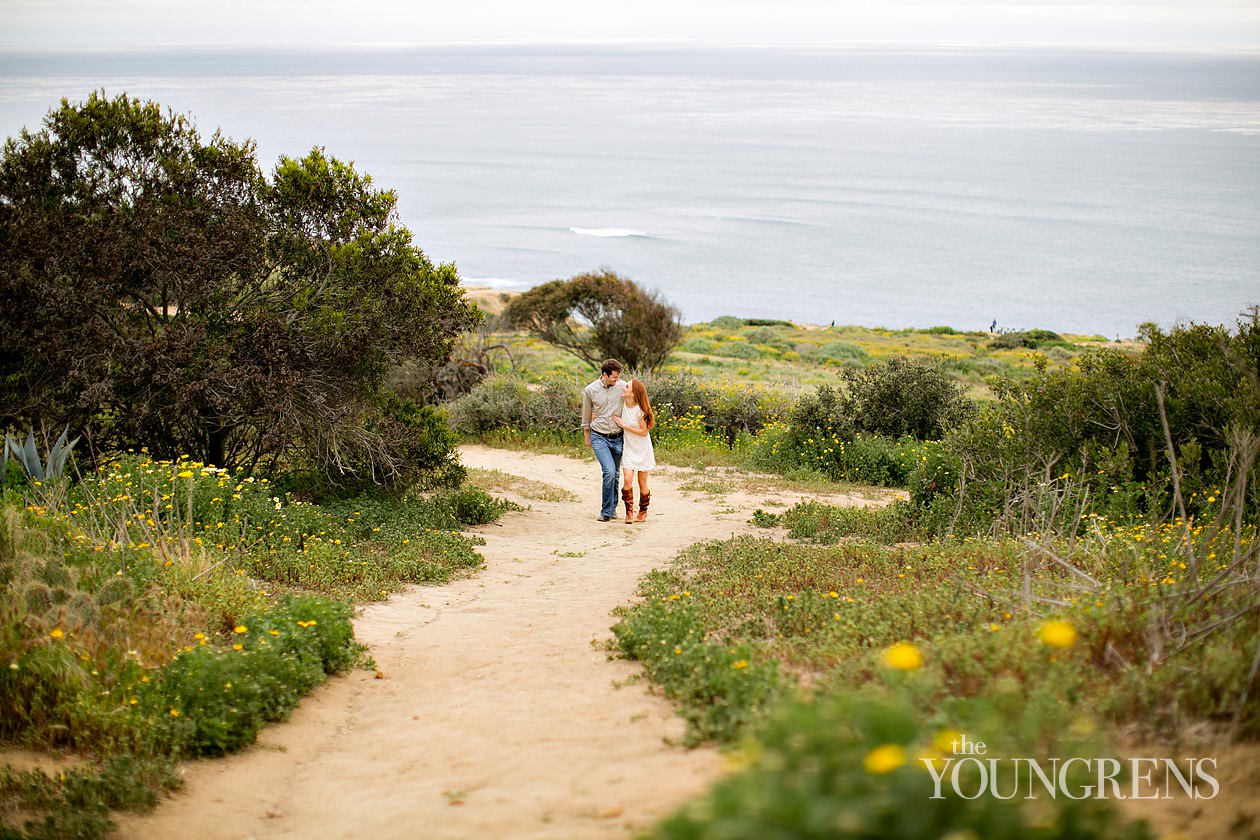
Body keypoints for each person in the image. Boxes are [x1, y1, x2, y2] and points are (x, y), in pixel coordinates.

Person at [581, 359, 624, 521]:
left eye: (618, 376)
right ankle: (606, 511)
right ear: (604, 375)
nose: (617, 380)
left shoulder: (622, 386)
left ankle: (612, 508)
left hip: (618, 437)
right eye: (614, 377)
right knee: (609, 471)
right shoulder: (590, 390)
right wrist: (587, 435)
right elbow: (586, 413)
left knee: (616, 474)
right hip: (599, 436)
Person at [614, 379, 656, 523]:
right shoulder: (622, 404)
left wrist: (624, 426)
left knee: (642, 481)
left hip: (642, 448)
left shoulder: (640, 410)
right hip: (629, 448)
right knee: (627, 479)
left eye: (627, 386)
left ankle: (643, 511)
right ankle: (629, 512)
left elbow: (644, 432)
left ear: (633, 393)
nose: (623, 387)